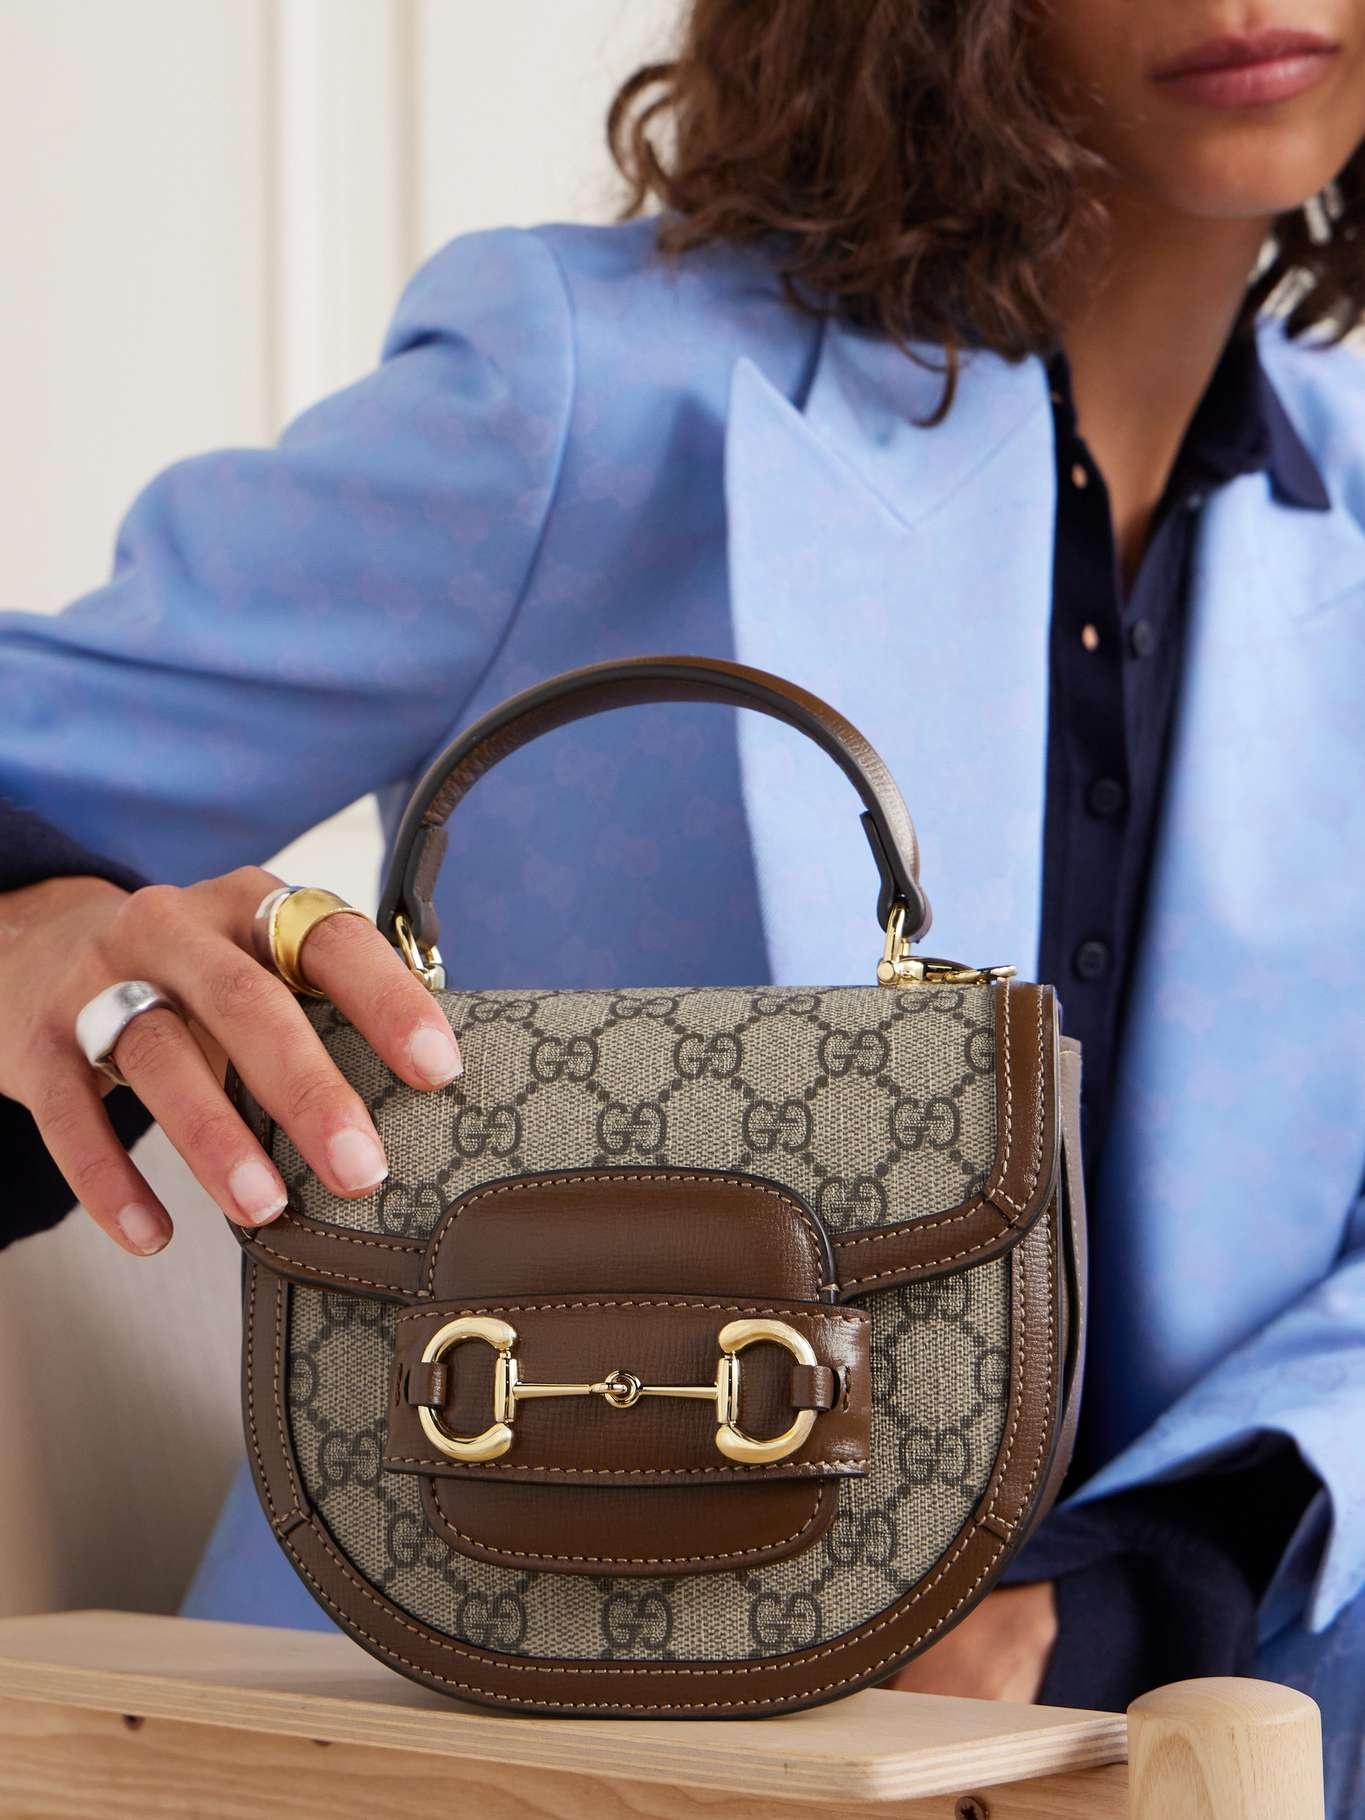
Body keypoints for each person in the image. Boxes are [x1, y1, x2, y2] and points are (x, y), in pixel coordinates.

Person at [2, 0, 1363, 1805]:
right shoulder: (584, 390)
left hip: (1152, 1734)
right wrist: (33, 926)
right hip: (481, 1714)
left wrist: (1106, 1595)